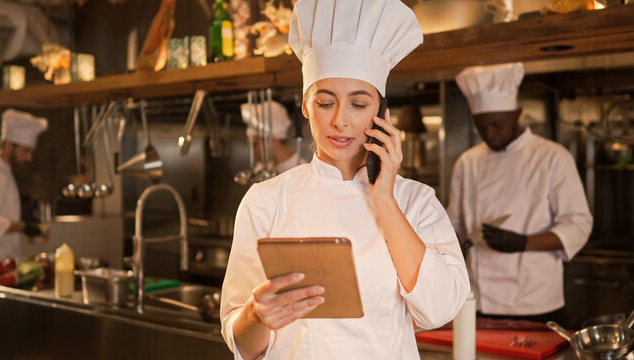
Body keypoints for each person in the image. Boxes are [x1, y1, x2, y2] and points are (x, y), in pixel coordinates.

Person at [220, 1, 470, 359]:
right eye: (325, 102)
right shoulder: (266, 200)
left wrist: (384, 199)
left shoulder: (416, 201)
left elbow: (440, 309)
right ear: (306, 106)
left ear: (382, 114)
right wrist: (256, 316)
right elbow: (242, 344)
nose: (340, 121)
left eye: (358, 104)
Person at [447, 62, 593, 322]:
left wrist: (523, 243)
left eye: (496, 124)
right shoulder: (467, 162)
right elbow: (455, 223)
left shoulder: (552, 157)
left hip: (535, 302)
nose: (490, 134)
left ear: (517, 114)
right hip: (477, 298)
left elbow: (579, 224)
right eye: (481, 127)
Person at [0, 109, 48, 260]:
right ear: (9, 146)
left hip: (5, 262)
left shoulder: (5, 172)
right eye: (26, 151)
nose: (29, 158)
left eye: (31, 152)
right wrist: (24, 227)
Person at [240, 100, 303, 174]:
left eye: (254, 145)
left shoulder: (300, 170)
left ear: (272, 139)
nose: (252, 152)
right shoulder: (262, 167)